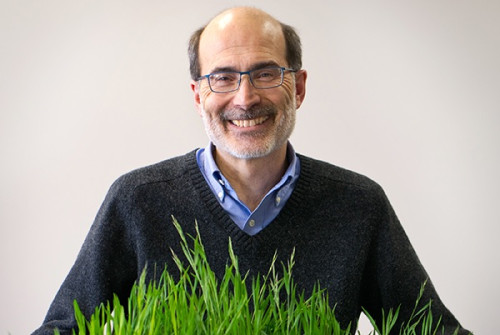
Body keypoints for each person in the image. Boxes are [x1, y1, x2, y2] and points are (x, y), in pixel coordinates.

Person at [33, 7, 470, 335]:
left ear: (297, 87)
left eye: (265, 73)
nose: (244, 98)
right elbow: (62, 328)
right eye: (222, 77)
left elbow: (433, 329)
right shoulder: (137, 199)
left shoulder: (358, 204)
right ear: (197, 94)